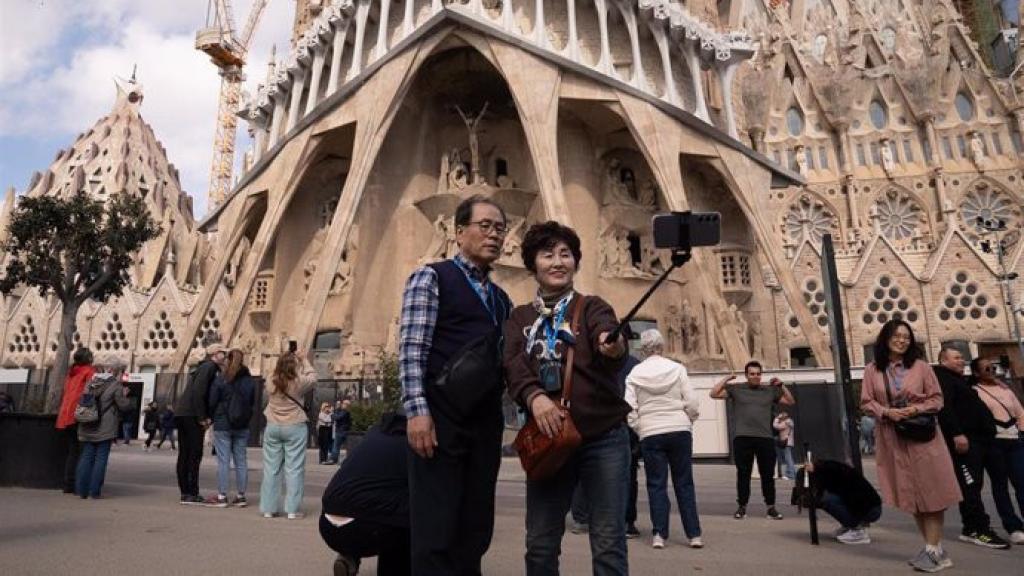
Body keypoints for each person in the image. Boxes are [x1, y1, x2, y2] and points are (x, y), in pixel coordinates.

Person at [504, 221, 630, 576]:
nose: (558, 262)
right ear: (533, 264)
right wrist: (535, 397)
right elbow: (513, 365)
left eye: (565, 254)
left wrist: (613, 345)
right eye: (548, 255)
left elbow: (609, 335)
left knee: (608, 542)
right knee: (540, 543)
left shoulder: (592, 307)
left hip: (602, 438)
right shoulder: (520, 317)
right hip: (549, 439)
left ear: (575, 261)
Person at [400, 195, 513, 574]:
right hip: (440, 418)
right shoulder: (432, 278)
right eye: (485, 226)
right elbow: (412, 348)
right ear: (459, 232)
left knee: (475, 525)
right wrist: (417, 412)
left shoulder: (501, 299)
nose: (494, 235)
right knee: (437, 524)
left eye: (500, 229)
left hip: (484, 422)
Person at [860, 319, 961, 572]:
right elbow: (866, 402)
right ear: (885, 338)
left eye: (906, 337)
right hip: (892, 437)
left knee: (932, 493)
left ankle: (933, 551)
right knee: (913, 495)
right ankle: (933, 549)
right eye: (897, 336)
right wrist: (886, 412)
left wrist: (915, 409)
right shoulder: (872, 370)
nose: (902, 340)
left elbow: (937, 399)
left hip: (922, 437)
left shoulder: (921, 367)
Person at [625, 328, 703, 550]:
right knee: (684, 483)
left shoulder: (635, 373)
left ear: (643, 349)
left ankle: (659, 534)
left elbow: (629, 407)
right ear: (662, 346)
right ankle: (694, 535)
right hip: (679, 428)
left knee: (656, 484)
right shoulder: (677, 368)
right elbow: (692, 401)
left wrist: (640, 428)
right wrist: (689, 419)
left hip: (651, 431)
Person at [935, 347, 1009, 549]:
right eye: (956, 357)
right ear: (943, 360)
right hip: (966, 441)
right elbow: (944, 407)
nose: (961, 360)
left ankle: (972, 528)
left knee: (979, 484)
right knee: (970, 486)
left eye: (962, 358)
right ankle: (978, 529)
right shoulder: (942, 378)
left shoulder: (959, 380)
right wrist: (956, 433)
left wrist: (995, 382)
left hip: (982, 440)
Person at [321, 412, 410, 576]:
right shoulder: (414, 441)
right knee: (410, 510)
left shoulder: (373, 435)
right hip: (370, 528)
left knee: (366, 501)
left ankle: (349, 557)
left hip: (327, 523)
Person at [710, 361, 794, 520]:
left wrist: (782, 385)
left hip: (765, 438)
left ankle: (771, 508)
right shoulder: (736, 389)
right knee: (743, 474)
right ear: (746, 375)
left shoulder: (770, 390)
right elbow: (713, 394)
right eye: (752, 374)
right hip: (743, 437)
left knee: (767, 475)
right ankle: (742, 507)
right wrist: (727, 378)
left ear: (761, 375)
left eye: (758, 374)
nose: (755, 376)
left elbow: (790, 401)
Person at [972, 357, 1024, 545]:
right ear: (976, 373)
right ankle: (1013, 527)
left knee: (1021, 482)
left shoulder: (1005, 389)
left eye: (993, 368)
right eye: (987, 369)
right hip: (994, 443)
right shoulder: (975, 391)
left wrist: (1021, 430)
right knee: (1000, 485)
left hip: (1015, 441)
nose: (992, 371)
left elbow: (1020, 412)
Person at [260, 348, 317, 519]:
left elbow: (274, 373)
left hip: (273, 425)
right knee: (294, 469)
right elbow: (313, 377)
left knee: (271, 469)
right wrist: (304, 360)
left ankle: (268, 508)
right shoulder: (298, 382)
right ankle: (292, 509)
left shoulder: (271, 380)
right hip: (294, 425)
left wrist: (282, 361)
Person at [175, 342, 226, 505]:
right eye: (222, 352)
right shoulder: (209, 367)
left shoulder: (203, 367)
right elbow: (199, 392)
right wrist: (202, 417)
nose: (225, 355)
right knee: (194, 453)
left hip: (183, 412)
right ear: (214, 354)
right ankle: (191, 492)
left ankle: (185, 492)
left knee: (185, 453)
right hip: (192, 414)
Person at [206, 349, 256, 508]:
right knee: (241, 461)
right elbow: (252, 402)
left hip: (223, 423)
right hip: (242, 424)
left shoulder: (221, 379)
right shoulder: (249, 381)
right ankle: (241, 496)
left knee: (223, 461)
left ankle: (222, 496)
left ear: (228, 360)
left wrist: (212, 416)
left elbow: (212, 401)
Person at [75, 368, 132, 499]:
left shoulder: (90, 383)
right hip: (105, 426)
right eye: (121, 373)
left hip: (88, 423)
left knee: (86, 457)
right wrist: (124, 395)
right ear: (115, 372)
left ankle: (82, 490)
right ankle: (94, 491)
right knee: (101, 459)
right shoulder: (115, 385)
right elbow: (124, 406)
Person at [801, 459, 882, 545]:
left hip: (870, 508)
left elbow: (857, 499)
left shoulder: (834, 474)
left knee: (827, 500)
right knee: (826, 499)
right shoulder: (834, 472)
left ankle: (857, 530)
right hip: (870, 506)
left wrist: (855, 522)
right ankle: (851, 526)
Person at [55, 348, 96, 493]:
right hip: (79, 414)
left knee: (73, 451)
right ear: (88, 358)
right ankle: (81, 484)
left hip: (66, 416)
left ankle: (68, 484)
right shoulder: (89, 371)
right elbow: (91, 392)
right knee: (84, 451)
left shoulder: (71, 373)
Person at [773, 411, 796, 480]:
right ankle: (792, 474)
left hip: (786, 442)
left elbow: (776, 426)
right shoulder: (789, 422)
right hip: (789, 442)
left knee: (788, 458)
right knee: (789, 458)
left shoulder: (786, 422)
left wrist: (777, 418)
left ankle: (790, 475)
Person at [331, 399, 352, 464]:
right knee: (344, 446)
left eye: (343, 403)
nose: (342, 404)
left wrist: (332, 414)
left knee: (336, 446)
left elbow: (337, 418)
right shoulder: (345, 412)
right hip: (344, 430)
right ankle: (336, 459)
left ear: (346, 405)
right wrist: (337, 409)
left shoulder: (345, 412)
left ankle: (334, 459)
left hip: (341, 431)